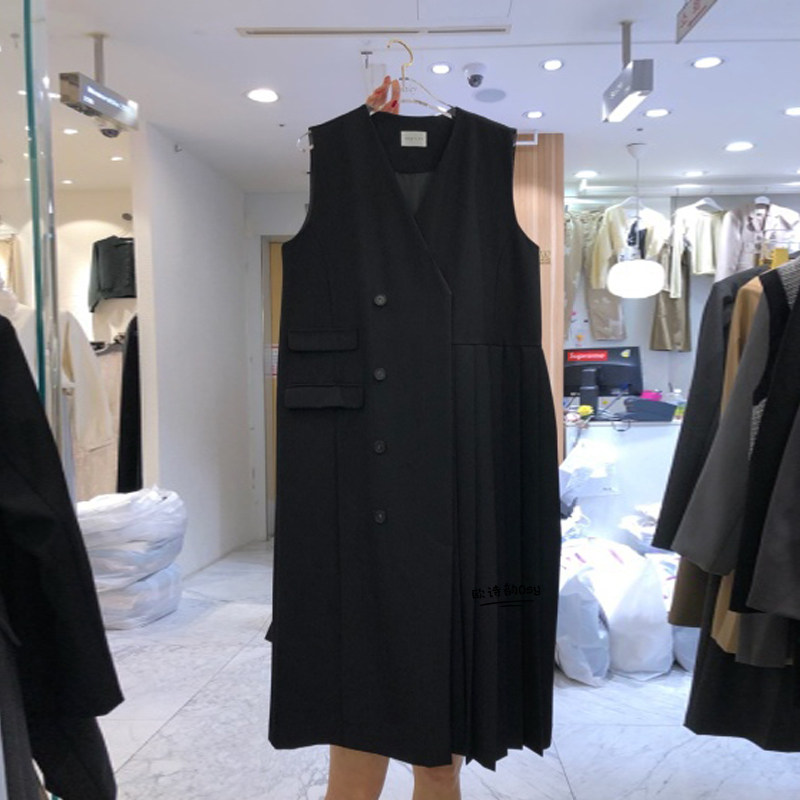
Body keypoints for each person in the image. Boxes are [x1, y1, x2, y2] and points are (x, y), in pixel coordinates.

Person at [321, 74, 465, 800]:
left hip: (459, 456)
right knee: (357, 701)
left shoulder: (487, 157)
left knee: (441, 716)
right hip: (351, 463)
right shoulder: (336, 152)